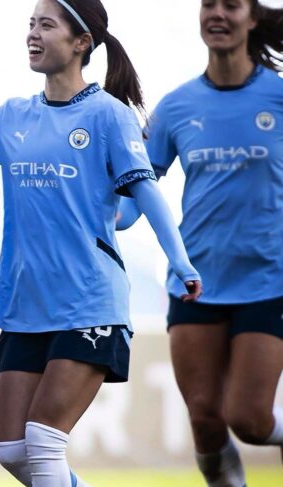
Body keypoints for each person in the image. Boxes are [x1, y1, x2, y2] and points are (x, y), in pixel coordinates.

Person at [0, 0, 204, 485]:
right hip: (25, 304)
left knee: (43, 444)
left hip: (88, 302)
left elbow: (147, 193)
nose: (33, 34)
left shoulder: (109, 115)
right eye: (30, 24)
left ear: (82, 42)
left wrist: (182, 263)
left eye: (46, 24)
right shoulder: (11, 116)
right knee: (12, 451)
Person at [116, 0, 283, 483]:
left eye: (231, 5)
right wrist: (102, 215)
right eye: (209, 3)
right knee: (206, 421)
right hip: (196, 284)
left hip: (269, 282)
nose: (218, 14)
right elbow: (133, 196)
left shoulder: (277, 97)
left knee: (250, 420)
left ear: (252, 18)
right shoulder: (176, 107)